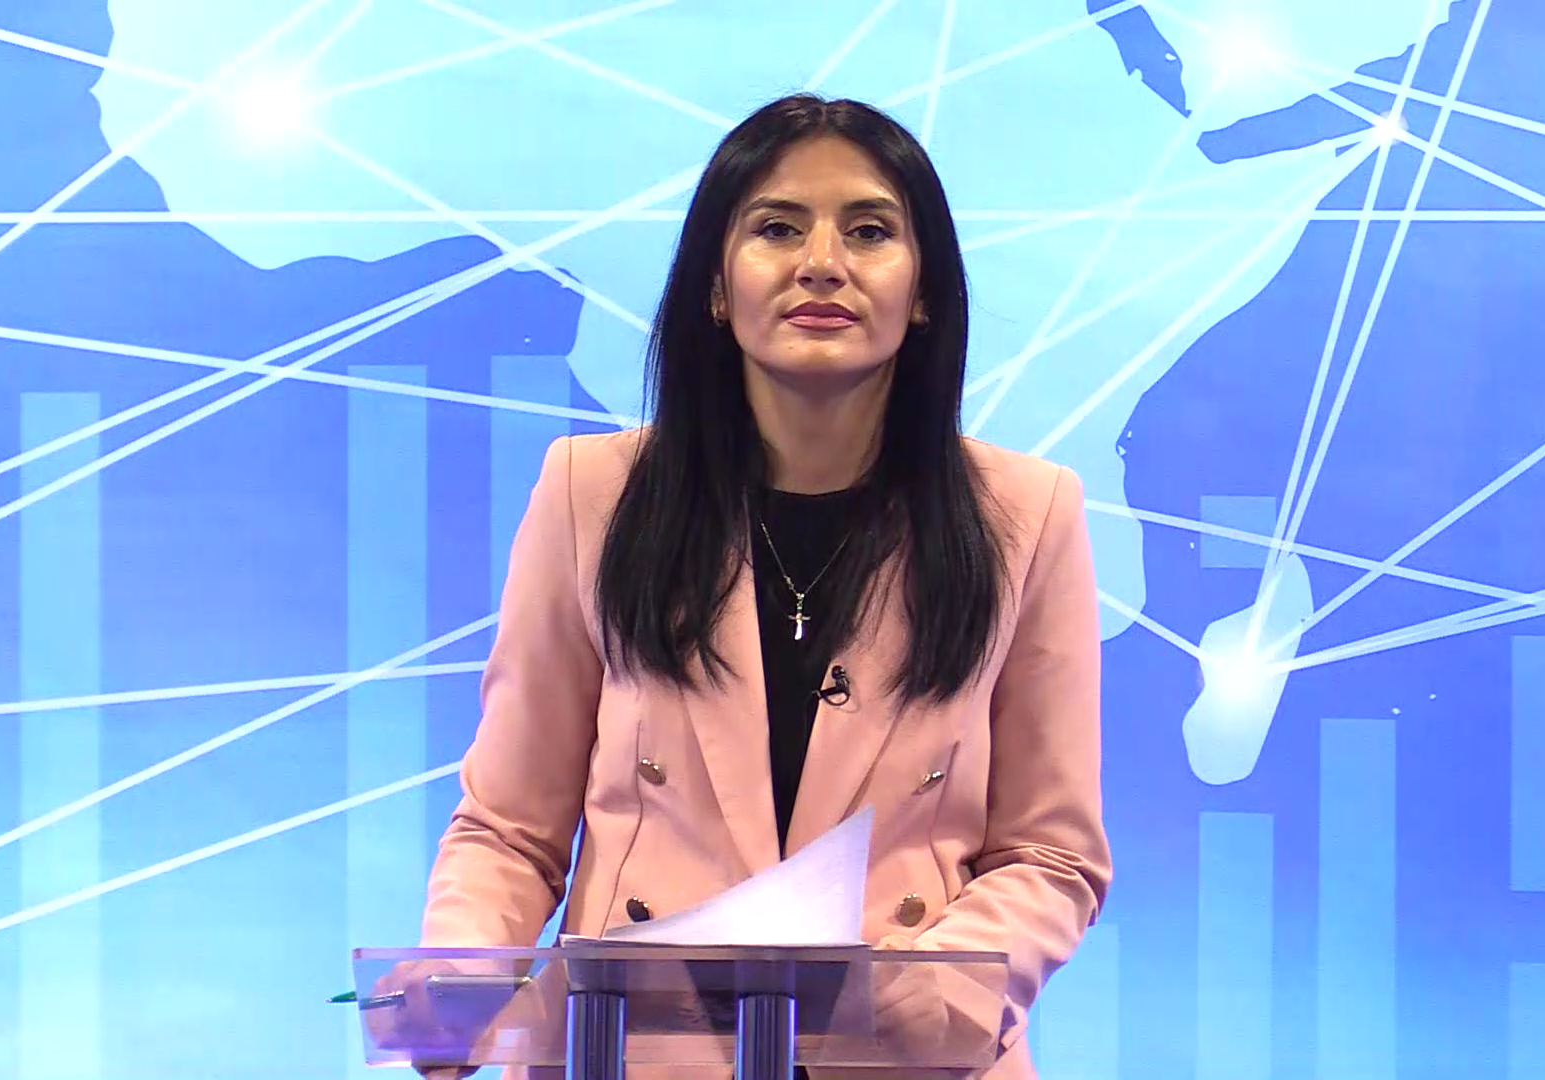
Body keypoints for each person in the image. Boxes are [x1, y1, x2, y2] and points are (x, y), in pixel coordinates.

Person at [411, 93, 1111, 1079]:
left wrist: (935, 992)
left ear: (923, 292)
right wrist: (461, 978)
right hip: (634, 1054)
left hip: (899, 1058)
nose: (821, 262)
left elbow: (1051, 853)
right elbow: (509, 828)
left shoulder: (1026, 517)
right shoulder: (592, 495)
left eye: (869, 231)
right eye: (777, 228)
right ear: (715, 285)